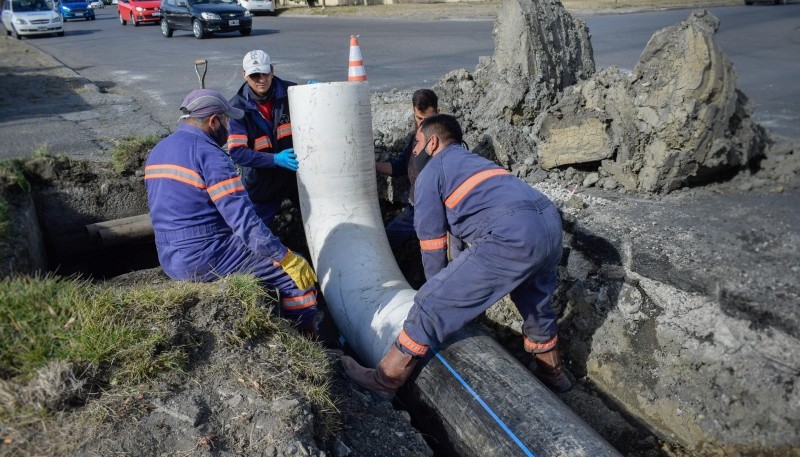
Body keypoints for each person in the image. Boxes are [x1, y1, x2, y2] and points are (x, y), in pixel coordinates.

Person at [343, 114, 571, 398]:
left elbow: (432, 244)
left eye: (416, 143)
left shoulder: (432, 173)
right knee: (535, 302)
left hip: (510, 233)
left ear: (433, 142)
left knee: (430, 302)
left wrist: (438, 295)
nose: (413, 151)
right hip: (548, 223)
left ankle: (385, 379)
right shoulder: (474, 162)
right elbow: (460, 238)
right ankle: (552, 373)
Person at [144, 89, 319, 337]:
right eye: (227, 121)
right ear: (214, 121)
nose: (229, 128)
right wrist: (285, 256)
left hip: (169, 255)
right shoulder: (211, 156)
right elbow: (244, 221)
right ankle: (306, 340)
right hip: (204, 256)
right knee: (297, 278)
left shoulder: (158, 150)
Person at [227, 50, 299, 227]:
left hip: (295, 179)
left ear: (272, 70)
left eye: (265, 73)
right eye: (254, 75)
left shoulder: (293, 93)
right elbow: (237, 153)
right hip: (262, 183)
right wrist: (274, 159)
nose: (261, 79)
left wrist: (317, 94)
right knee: (255, 233)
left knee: (319, 223)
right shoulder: (237, 108)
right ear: (244, 75)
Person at [375, 89, 439, 251]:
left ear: (438, 113)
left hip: (436, 210)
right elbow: (401, 167)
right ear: (413, 112)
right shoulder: (414, 139)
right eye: (419, 119)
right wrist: (373, 166)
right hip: (414, 207)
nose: (423, 124)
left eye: (428, 119)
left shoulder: (446, 142)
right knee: (386, 242)